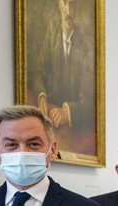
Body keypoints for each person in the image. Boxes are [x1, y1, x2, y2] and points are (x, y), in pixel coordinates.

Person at [33, 0, 94, 135]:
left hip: (75, 132)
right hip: (51, 119)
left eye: (71, 4)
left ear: (76, 7)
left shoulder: (86, 46)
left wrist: (68, 112)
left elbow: (90, 101)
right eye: (64, 3)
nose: (67, 11)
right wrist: (42, 96)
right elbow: (39, 71)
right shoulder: (52, 30)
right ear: (58, 4)